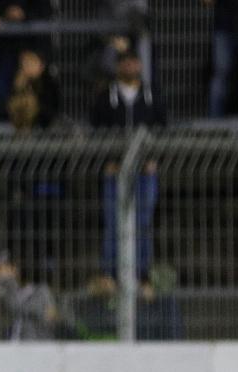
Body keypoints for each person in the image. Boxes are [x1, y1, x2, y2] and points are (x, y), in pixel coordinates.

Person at [91, 51, 165, 285]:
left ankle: (141, 275)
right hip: (115, 171)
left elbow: (162, 129)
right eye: (126, 61)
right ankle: (110, 275)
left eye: (134, 61)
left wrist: (152, 159)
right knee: (114, 222)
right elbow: (98, 133)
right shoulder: (105, 98)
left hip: (145, 172)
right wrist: (108, 161)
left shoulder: (152, 95)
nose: (131, 65)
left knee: (142, 222)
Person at [6, 49, 59, 132]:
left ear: (41, 66)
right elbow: (12, 103)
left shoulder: (48, 83)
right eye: (25, 63)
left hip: (44, 124)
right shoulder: (18, 80)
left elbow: (51, 108)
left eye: (31, 63)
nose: (27, 66)